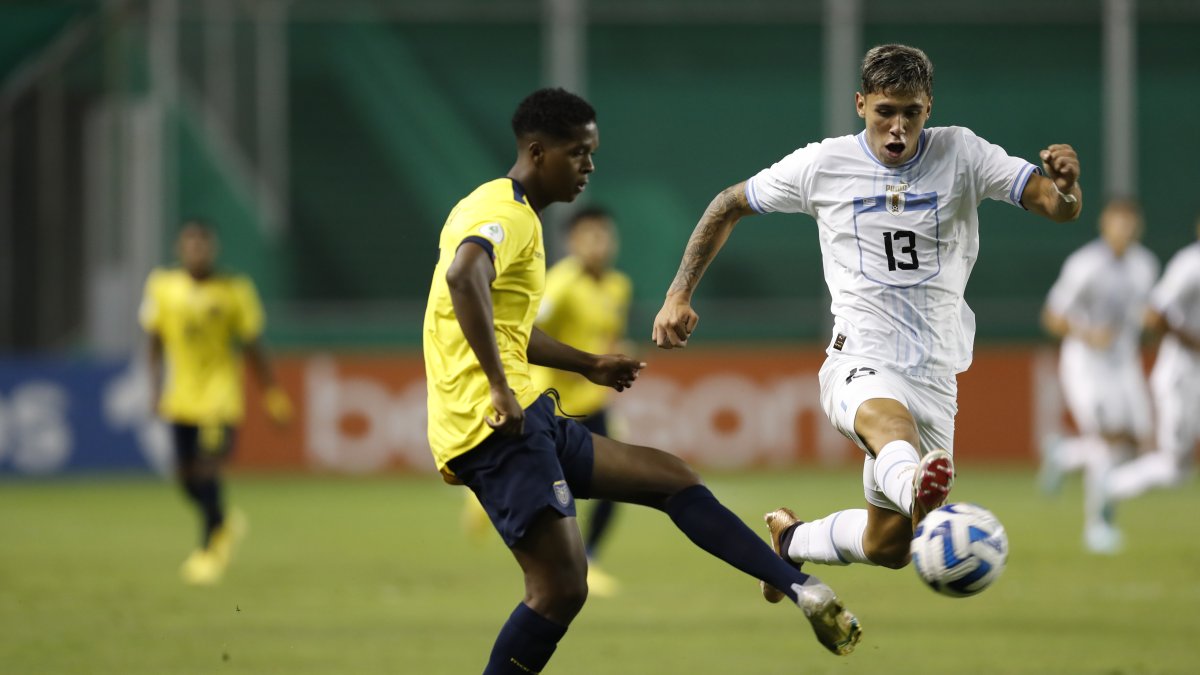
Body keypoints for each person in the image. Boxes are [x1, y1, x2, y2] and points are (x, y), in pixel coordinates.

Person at [423, 87, 861, 674]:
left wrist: (589, 365)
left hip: (528, 413)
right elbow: (463, 276)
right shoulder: (504, 215)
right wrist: (500, 387)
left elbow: (503, 322)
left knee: (671, 479)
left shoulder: (498, 208)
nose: (589, 167)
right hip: (496, 421)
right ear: (537, 151)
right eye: (578, 153)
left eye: (592, 153)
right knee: (560, 587)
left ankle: (802, 588)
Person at [651, 45, 1082, 601]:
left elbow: (1054, 204)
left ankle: (792, 542)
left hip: (935, 374)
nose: (898, 127)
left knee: (890, 548)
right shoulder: (822, 165)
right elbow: (728, 203)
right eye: (885, 112)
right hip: (860, 358)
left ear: (930, 107)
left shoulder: (964, 153)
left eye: (912, 112)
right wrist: (678, 293)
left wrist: (1067, 188)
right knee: (892, 431)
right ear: (860, 105)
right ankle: (916, 489)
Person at [140, 222, 293, 585]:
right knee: (185, 478)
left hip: (219, 398)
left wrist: (272, 394)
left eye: (203, 244)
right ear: (179, 248)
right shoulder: (162, 287)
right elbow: (154, 341)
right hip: (181, 399)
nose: (197, 250)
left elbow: (254, 346)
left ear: (213, 249)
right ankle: (222, 519)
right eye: (190, 244)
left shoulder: (234, 290)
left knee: (208, 471)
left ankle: (210, 549)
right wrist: (153, 389)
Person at [1038, 200, 1158, 554]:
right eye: (1118, 221)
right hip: (1085, 363)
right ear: (1105, 224)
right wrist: (1089, 334)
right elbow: (1052, 316)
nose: (1124, 228)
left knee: (1134, 444)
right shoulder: (1085, 265)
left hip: (1124, 364)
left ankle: (1066, 454)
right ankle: (1099, 526)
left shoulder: (1144, 266)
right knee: (1107, 443)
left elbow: (1144, 315)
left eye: (1130, 222)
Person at [1099, 216, 1200, 527]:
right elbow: (1154, 314)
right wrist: (1193, 341)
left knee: (1178, 470)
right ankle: (1110, 486)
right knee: (1174, 470)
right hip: (1182, 376)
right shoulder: (1191, 264)